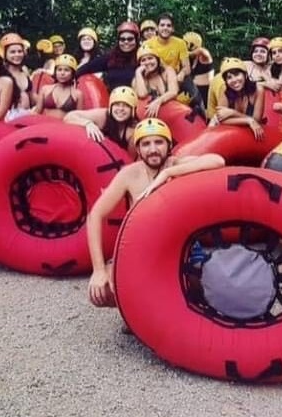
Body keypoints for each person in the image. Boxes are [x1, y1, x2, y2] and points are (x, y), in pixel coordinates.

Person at [87, 118, 226, 307]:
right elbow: (95, 215)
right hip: (143, 248)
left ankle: (181, 312)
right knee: (101, 292)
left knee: (207, 291)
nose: (153, 149)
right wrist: (99, 269)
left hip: (181, 246)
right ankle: (136, 315)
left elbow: (218, 161)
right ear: (138, 148)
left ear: (169, 144)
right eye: (146, 144)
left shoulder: (177, 164)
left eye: (159, 142)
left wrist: (168, 173)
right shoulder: (129, 174)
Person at [64, 85, 139, 154]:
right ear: (111, 107)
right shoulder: (102, 115)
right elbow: (68, 117)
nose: (120, 109)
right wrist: (88, 123)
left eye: (126, 106)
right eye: (117, 104)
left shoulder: (133, 130)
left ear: (133, 110)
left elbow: (130, 160)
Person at [76, 21, 141, 92]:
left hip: (137, 100)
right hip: (111, 100)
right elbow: (85, 68)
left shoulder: (142, 58)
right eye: (122, 39)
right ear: (118, 41)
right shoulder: (110, 57)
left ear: (136, 40)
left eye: (130, 39)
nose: (126, 42)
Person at [210, 58, 265, 140]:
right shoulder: (224, 90)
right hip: (224, 130)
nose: (234, 80)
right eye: (229, 77)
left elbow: (257, 120)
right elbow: (221, 120)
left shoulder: (258, 90)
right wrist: (248, 120)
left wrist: (233, 113)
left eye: (237, 74)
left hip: (247, 133)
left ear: (245, 75)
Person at [133, 47, 178, 118]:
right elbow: (142, 95)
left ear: (157, 59)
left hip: (172, 113)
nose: (147, 62)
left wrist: (158, 102)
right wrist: (138, 72)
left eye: (150, 58)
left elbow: (173, 92)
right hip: (151, 117)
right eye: (143, 60)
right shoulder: (138, 78)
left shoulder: (168, 71)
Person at [36, 55, 83, 119]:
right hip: (45, 125)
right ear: (55, 72)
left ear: (72, 73)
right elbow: (37, 112)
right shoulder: (45, 89)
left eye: (66, 70)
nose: (62, 73)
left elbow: (79, 117)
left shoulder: (78, 94)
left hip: (64, 126)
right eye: (59, 70)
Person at [0, 33, 35, 117]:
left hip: (27, 115)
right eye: (12, 52)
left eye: (20, 51)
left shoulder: (24, 70)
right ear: (5, 54)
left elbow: (32, 96)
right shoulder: (1, 73)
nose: (17, 55)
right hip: (8, 117)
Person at [184, 31, 214, 107]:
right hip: (193, 94)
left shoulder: (203, 57)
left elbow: (202, 51)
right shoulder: (189, 60)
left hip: (206, 94)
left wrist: (186, 53)